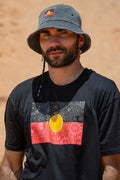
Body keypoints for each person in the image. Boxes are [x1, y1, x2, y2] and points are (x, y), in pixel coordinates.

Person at [0, 4, 120, 180]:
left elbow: (113, 165)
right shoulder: (21, 94)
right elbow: (11, 164)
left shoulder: (103, 91)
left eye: (62, 32)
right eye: (45, 34)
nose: (53, 42)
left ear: (80, 40)